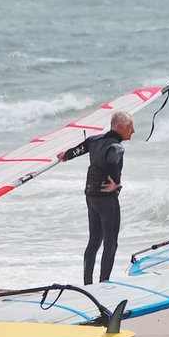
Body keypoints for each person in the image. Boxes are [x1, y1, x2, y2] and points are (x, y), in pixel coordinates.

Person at [58, 111, 135, 285]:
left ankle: (87, 283)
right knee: (110, 243)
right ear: (120, 128)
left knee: (94, 241)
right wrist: (116, 183)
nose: (133, 131)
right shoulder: (116, 147)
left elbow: (77, 150)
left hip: (91, 197)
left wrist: (65, 156)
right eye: (130, 127)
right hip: (107, 200)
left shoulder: (94, 140)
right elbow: (113, 160)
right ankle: (103, 284)